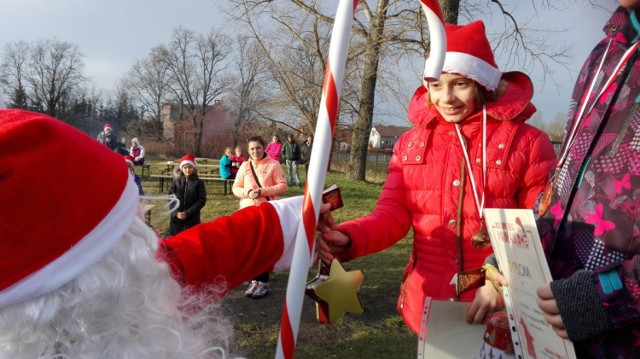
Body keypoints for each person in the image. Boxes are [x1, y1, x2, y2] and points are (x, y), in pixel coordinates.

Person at [0, 109, 321, 358]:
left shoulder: (128, 283)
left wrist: (299, 218)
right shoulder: (126, 287)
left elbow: (210, 248)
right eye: (130, 223)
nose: (142, 218)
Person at [316, 20, 556, 333]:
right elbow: (392, 215)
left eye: (460, 83)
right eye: (436, 84)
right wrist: (349, 237)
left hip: (500, 307)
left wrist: (501, 284)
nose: (446, 97)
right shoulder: (410, 143)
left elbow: (541, 224)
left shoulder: (527, 143)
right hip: (429, 304)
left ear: (483, 84)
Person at [530, 2, 640, 357]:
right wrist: (518, 252)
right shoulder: (605, 52)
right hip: (562, 328)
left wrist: (608, 296)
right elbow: (568, 176)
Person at [232, 135, 287, 298]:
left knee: (262, 248)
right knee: (249, 247)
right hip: (247, 212)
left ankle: (263, 282)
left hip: (266, 212)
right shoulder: (244, 166)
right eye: (252, 149)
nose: (255, 151)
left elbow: (283, 186)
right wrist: (248, 193)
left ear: (264, 148)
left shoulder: (273, 165)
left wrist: (262, 192)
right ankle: (253, 280)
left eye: (258, 148)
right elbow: (236, 187)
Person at [168, 154, 207, 236]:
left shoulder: (199, 182)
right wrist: (176, 212)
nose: (187, 170)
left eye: (190, 167)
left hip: (192, 219)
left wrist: (187, 213)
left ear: (193, 168)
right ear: (181, 168)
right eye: (185, 168)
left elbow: (201, 200)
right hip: (176, 221)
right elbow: (171, 198)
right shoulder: (176, 181)